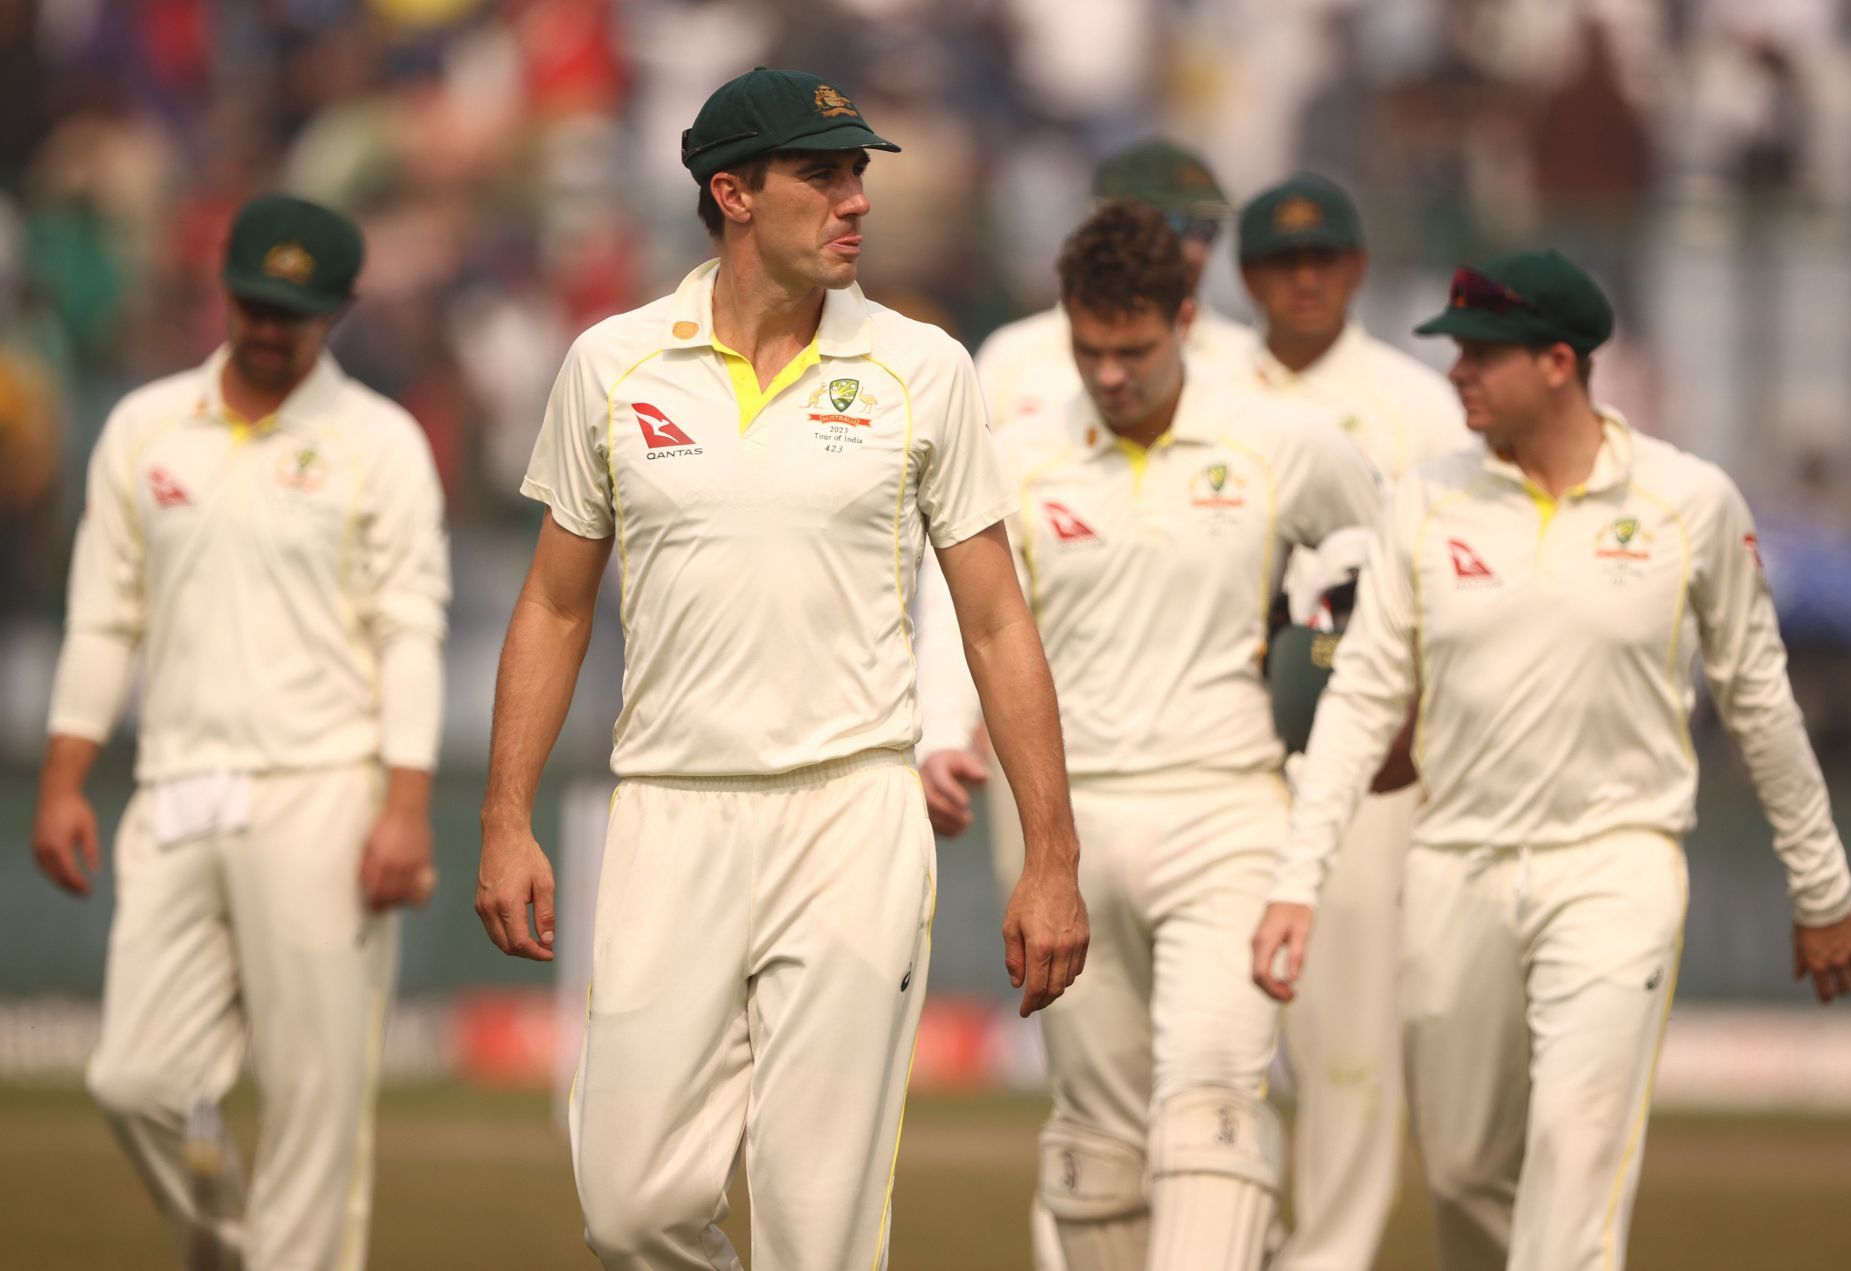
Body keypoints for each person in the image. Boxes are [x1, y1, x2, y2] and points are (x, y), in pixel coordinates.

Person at [473, 68, 1089, 1271]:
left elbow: (1000, 624)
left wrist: (1052, 856)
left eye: (859, 170)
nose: (856, 197)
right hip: (669, 810)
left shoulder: (925, 369)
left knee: (819, 1234)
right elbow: (553, 603)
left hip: (852, 814)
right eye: (824, 172)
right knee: (632, 1207)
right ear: (732, 192)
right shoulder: (612, 364)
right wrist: (505, 816)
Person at [1252, 250, 1851, 1270]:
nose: (1456, 374)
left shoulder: (1691, 502)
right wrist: (1297, 882)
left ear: (1556, 362)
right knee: (1460, 1165)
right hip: (1456, 860)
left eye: (1481, 355)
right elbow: (1363, 702)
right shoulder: (1427, 500)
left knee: (1575, 1152)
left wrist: (1823, 886)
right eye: (1453, 352)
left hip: (1616, 863)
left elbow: (1761, 703)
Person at [918, 199, 1380, 1270]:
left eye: (1133, 350)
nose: (1111, 374)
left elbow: (1384, 567)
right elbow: (962, 610)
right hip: (1061, 827)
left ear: (1184, 317)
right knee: (1095, 1140)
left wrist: (1361, 682)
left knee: (1213, 1104)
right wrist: (942, 728)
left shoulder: (1282, 441)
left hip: (1230, 803)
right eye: (1088, 349)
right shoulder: (1018, 455)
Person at [30, 194, 449, 1271]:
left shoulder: (380, 442)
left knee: (317, 1095)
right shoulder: (143, 426)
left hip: (324, 787)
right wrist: (65, 775)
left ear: (341, 310)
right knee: (135, 1077)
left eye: (294, 311)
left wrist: (406, 806)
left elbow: (411, 631)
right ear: (224, 291)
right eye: (255, 303)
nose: (269, 327)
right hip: (175, 780)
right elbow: (103, 612)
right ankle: (230, 1244)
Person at [1235, 172, 1467, 1271]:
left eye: (1325, 254)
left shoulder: (1416, 404)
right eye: (1285, 260)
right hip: (1225, 746)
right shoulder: (1202, 387)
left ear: (1360, 265)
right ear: (1245, 277)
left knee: (1348, 1044)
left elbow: (1450, 586)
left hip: (1368, 756)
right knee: (1210, 1040)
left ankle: (1325, 1256)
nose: (1307, 275)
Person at [972, 138, 1261, 430]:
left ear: (1184, 321)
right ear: (1102, 222)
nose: (1195, 250)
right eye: (1173, 224)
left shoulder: (1251, 362)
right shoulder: (1012, 358)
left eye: (1207, 229)